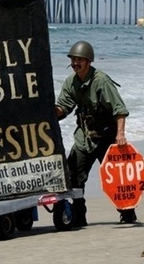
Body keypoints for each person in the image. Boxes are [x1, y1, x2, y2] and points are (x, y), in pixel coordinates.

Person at [54, 40, 137, 226]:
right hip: (85, 136)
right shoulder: (71, 82)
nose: (76, 63)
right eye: (73, 60)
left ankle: (127, 213)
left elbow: (120, 110)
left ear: (88, 61)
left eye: (80, 60)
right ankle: (78, 216)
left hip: (107, 137)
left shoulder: (101, 81)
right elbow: (63, 108)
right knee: (73, 175)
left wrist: (120, 134)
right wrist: (50, 111)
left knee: (117, 178)